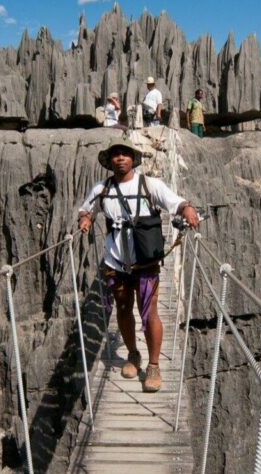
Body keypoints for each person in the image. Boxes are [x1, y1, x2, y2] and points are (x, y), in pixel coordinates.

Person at [77, 137, 200, 392]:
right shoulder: (102, 188)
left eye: (125, 153)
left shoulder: (149, 184)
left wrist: (187, 209)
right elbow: (87, 209)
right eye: (115, 154)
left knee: (149, 311)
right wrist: (86, 220)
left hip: (145, 260)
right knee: (123, 307)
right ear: (110, 161)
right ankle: (133, 354)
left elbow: (175, 202)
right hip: (115, 260)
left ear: (132, 158)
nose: (120, 158)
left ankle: (154, 365)